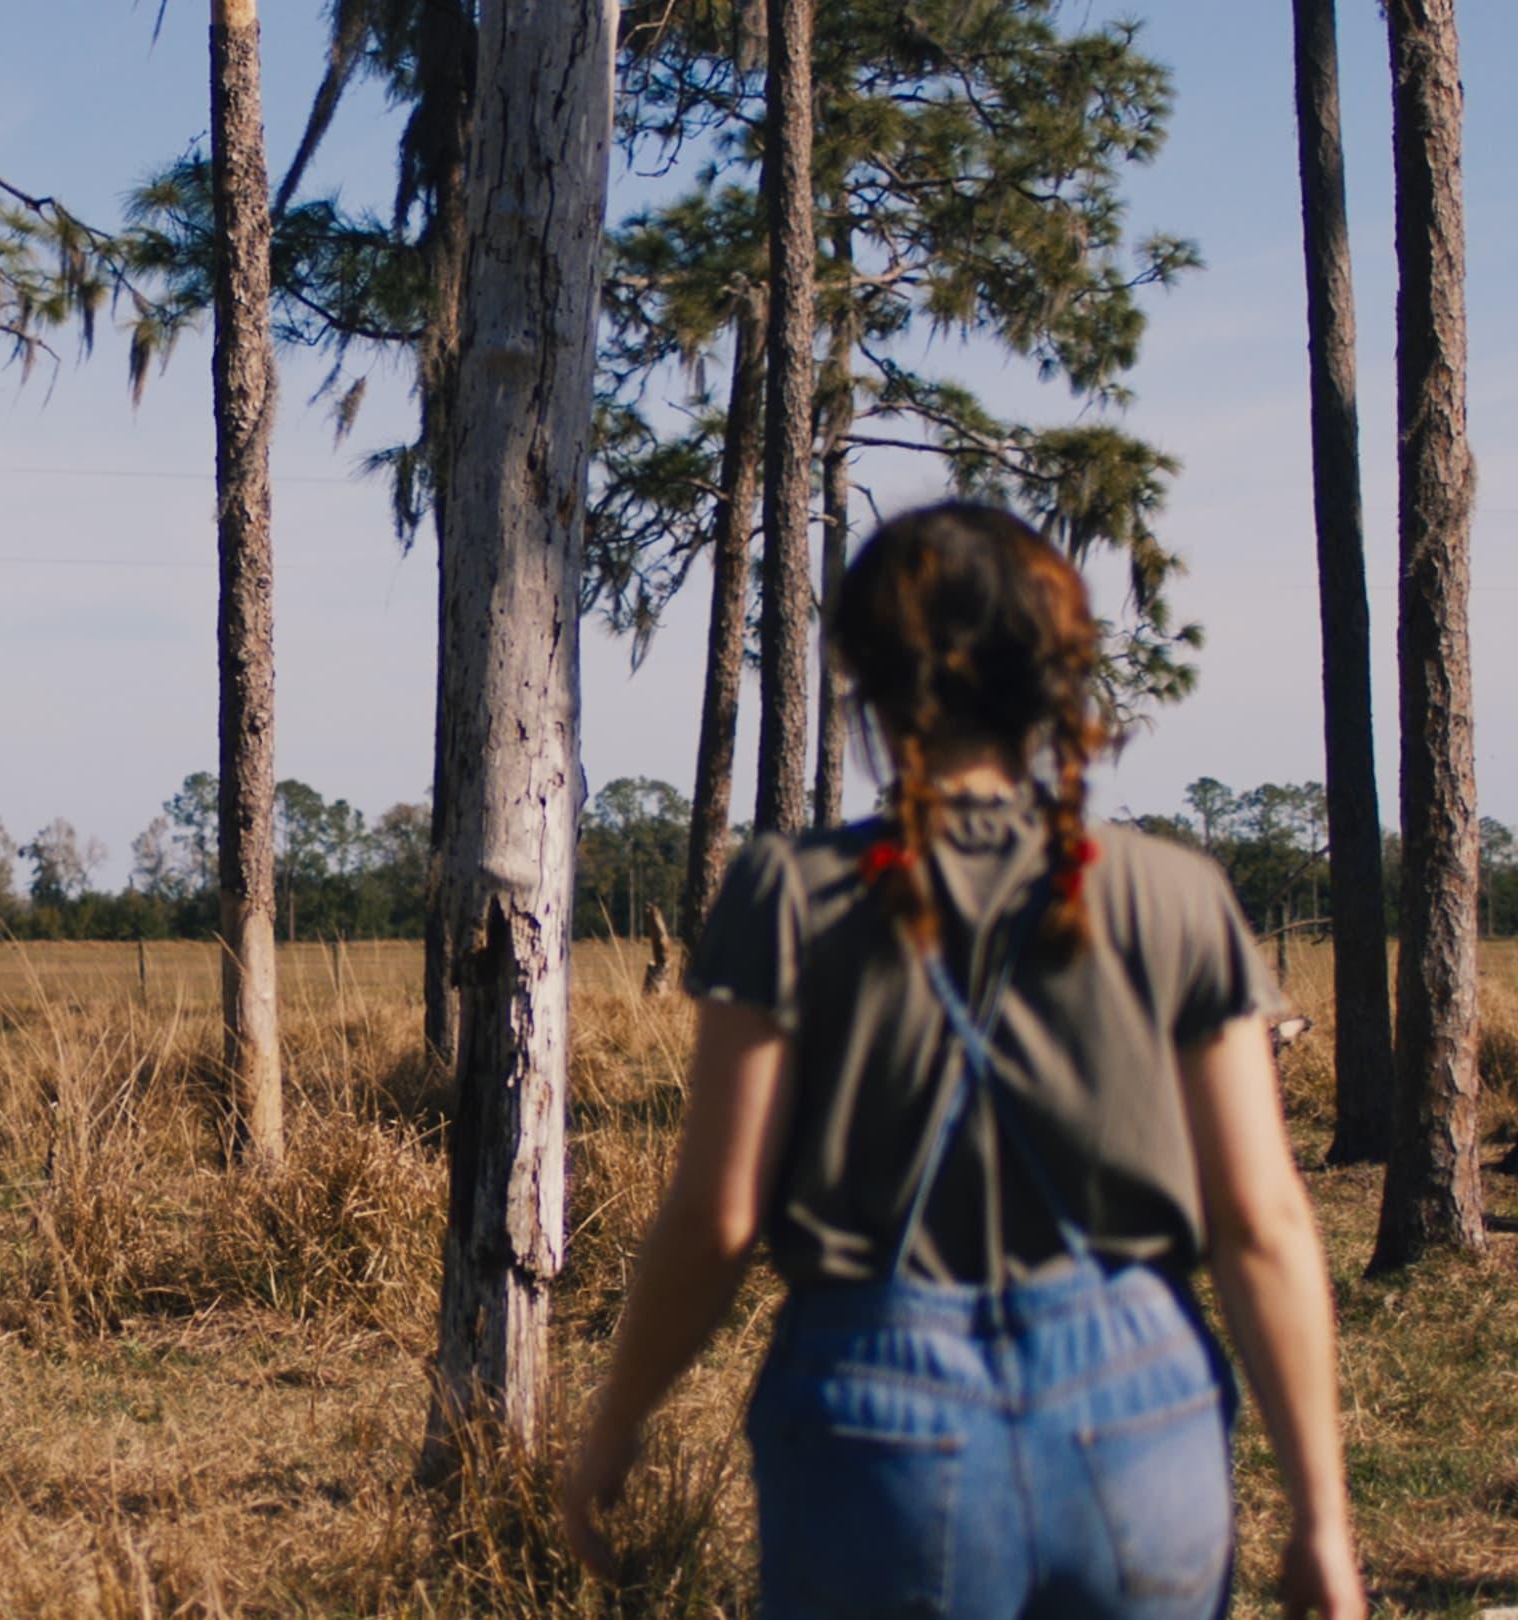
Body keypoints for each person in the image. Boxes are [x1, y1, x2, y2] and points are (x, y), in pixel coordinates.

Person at [562, 503, 1364, 1620]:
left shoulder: (789, 893)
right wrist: (1323, 1516)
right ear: (1055, 679)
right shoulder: (1178, 895)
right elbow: (1261, 1218)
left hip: (876, 1420)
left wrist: (615, 1425)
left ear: (866, 680)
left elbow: (718, 1216)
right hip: (1144, 1417)